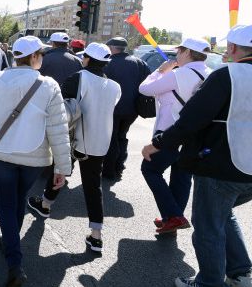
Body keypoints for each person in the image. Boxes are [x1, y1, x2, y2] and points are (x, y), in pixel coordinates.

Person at [142, 24, 252, 287]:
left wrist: (159, 143)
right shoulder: (220, 73)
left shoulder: (225, 76)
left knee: (208, 225)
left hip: (221, 165)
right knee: (223, 214)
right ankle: (241, 273)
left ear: (232, 48)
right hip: (249, 173)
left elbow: (192, 119)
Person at [0, 36, 71, 287]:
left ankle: (14, 261)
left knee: (7, 204)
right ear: (35, 56)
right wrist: (62, 167)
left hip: (4, 155)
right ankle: (11, 243)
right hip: (35, 158)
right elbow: (58, 130)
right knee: (19, 199)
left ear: (16, 57)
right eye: (41, 54)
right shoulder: (49, 85)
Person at [27, 43, 120, 253]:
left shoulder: (79, 77)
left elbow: (60, 106)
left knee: (59, 169)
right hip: (100, 142)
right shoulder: (115, 86)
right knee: (93, 186)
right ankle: (96, 235)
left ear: (87, 59)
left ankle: (45, 205)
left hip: (74, 137)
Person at [137, 38, 212, 234]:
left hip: (169, 132)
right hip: (195, 135)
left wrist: (160, 71)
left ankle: (174, 215)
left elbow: (144, 89)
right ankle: (172, 218)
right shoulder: (211, 74)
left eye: (179, 51)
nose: (177, 54)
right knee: (182, 176)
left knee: (150, 169)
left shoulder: (178, 74)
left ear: (187, 52)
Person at [103, 36, 150, 181]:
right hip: (132, 110)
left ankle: (109, 170)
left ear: (112, 48)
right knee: (122, 137)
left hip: (112, 108)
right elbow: (148, 83)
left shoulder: (107, 63)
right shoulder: (139, 63)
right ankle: (119, 167)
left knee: (111, 139)